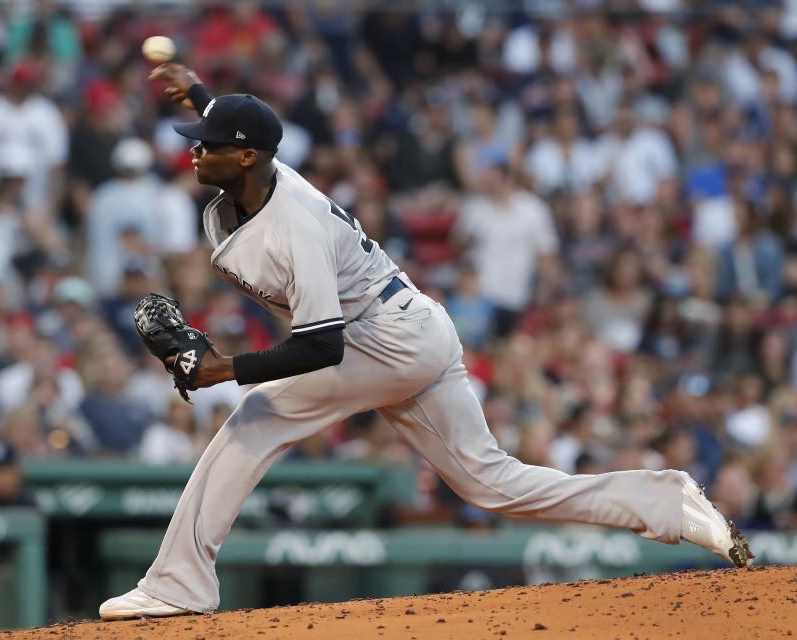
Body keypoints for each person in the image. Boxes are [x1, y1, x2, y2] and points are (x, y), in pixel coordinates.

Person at [98, 64, 753, 621]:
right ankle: (667, 504)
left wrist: (224, 370)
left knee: (254, 418)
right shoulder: (262, 171)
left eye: (205, 143)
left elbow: (322, 348)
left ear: (244, 158)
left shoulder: (291, 222)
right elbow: (240, 127)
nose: (193, 150)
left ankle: (179, 584)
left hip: (382, 339)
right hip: (410, 325)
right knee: (494, 484)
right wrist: (197, 93)